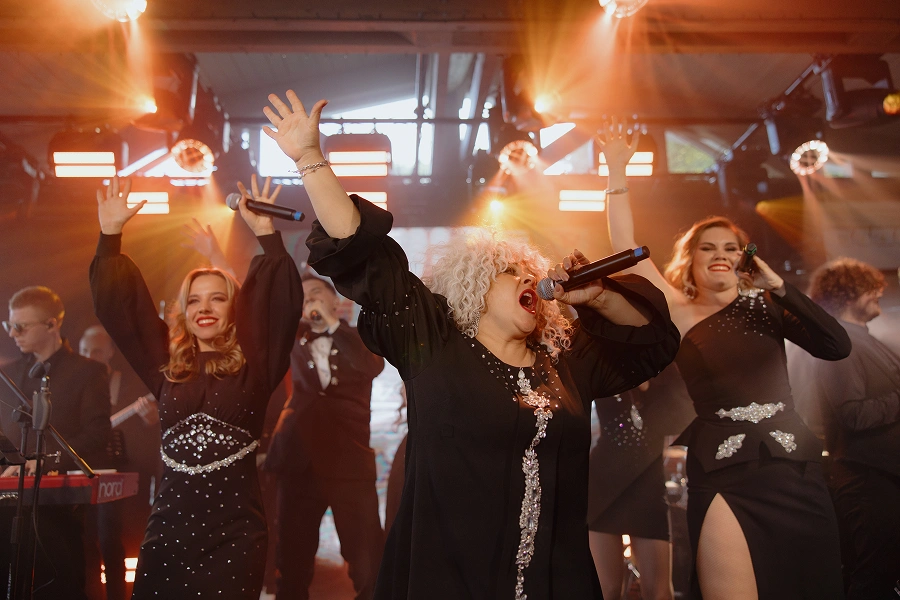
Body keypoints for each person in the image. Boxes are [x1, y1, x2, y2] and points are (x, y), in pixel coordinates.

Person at [262, 89, 681, 599]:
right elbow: (367, 258)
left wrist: (599, 296)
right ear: (474, 288)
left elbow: (651, 343)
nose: (527, 277)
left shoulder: (567, 361)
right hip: (450, 581)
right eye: (509, 271)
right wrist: (310, 158)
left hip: (554, 581)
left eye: (529, 270)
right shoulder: (433, 345)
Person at [600, 118, 852, 600]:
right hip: (722, 471)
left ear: (744, 259)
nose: (720, 255)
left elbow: (836, 345)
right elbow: (624, 249)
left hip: (793, 468)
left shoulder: (768, 305)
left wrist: (780, 287)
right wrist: (616, 170)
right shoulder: (680, 310)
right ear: (691, 259)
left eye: (731, 248)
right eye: (708, 248)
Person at [89, 175, 303, 598]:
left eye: (217, 298)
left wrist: (267, 235)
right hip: (168, 531)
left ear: (234, 308)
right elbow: (122, 310)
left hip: (235, 535)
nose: (204, 307)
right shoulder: (167, 368)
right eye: (193, 300)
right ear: (184, 313)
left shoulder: (256, 367)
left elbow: (279, 309)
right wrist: (109, 236)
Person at [264, 275, 385, 600]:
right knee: (292, 560)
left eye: (316, 293)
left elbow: (373, 366)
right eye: (303, 298)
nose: (309, 301)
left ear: (335, 300)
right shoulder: (291, 338)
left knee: (367, 559)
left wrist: (332, 326)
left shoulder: (359, 337)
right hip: (297, 461)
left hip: (349, 462)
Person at [787, 258, 900, 600]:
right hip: (867, 478)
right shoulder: (843, 343)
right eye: (870, 288)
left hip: (881, 476)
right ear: (847, 294)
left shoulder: (866, 339)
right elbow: (853, 415)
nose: (878, 294)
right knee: (874, 575)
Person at [0, 286, 111, 600]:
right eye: (9, 326)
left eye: (21, 326)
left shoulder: (88, 372)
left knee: (61, 583)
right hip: (6, 503)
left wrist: (44, 460)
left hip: (60, 507)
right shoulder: (7, 374)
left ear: (52, 324)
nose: (13, 334)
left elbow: (97, 434)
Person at [587, 365, 693, 600]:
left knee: (659, 594)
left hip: (648, 486)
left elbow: (682, 416)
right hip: (604, 485)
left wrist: (646, 380)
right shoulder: (605, 360)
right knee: (606, 590)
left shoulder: (664, 363)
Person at [79, 325, 159, 600]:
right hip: (82, 472)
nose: (89, 357)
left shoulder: (129, 385)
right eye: (84, 351)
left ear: (111, 352)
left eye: (96, 351)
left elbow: (149, 435)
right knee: (85, 538)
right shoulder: (74, 384)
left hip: (120, 473)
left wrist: (151, 420)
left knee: (109, 536)